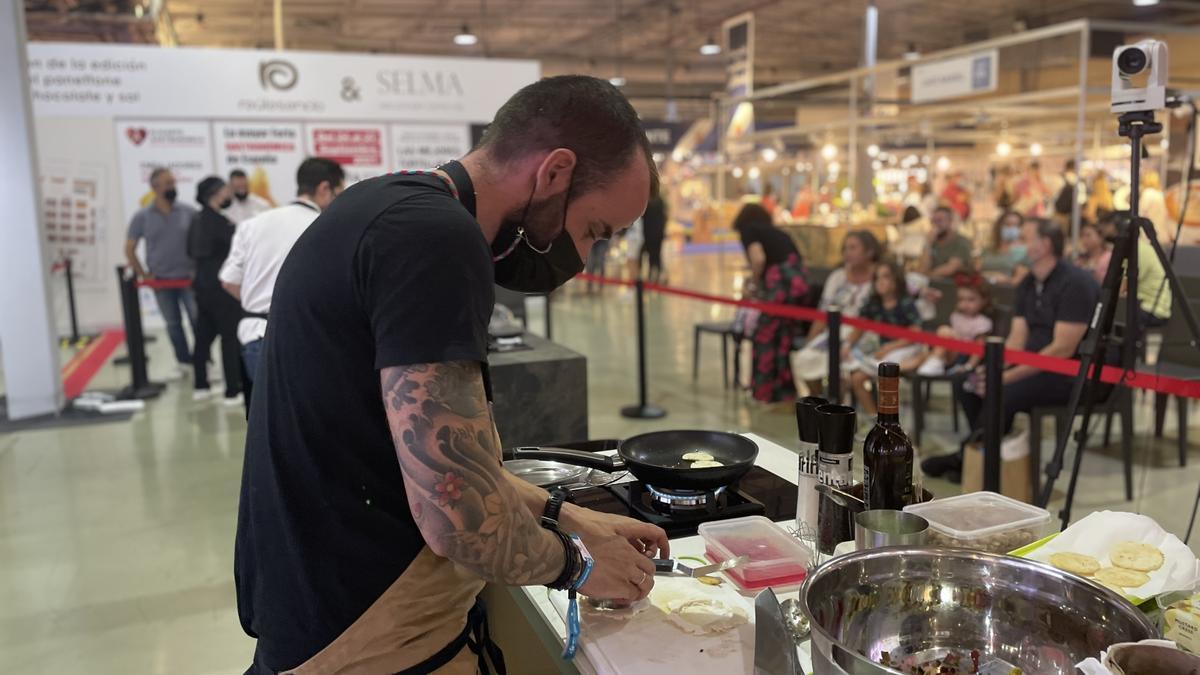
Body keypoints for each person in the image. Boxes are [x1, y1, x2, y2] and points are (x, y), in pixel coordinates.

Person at [234, 76, 669, 674]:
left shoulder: (384, 205)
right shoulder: (435, 240)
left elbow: (426, 458)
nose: (586, 257)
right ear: (554, 173)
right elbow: (457, 517)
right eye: (593, 231)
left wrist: (563, 514)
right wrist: (582, 566)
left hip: (318, 601)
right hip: (362, 631)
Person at [925, 218, 1100, 482]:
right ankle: (981, 455)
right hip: (1033, 362)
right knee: (968, 381)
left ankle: (969, 458)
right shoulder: (1028, 283)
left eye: (1025, 238)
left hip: (1069, 372)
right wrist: (990, 369)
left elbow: (1062, 350)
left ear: (1045, 244)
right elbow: (1017, 340)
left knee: (1002, 391)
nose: (1018, 244)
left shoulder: (1075, 283)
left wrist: (1005, 377)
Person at [219, 158, 345, 389]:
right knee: (309, 422)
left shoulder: (253, 224)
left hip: (255, 338)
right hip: (306, 339)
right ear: (325, 189)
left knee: (268, 421)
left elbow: (228, 281)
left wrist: (266, 304)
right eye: (340, 192)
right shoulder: (326, 225)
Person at [732, 203, 809, 403]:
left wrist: (755, 284)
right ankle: (783, 392)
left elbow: (758, 259)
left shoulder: (749, 230)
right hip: (797, 285)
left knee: (764, 336)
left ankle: (765, 392)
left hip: (780, 285)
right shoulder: (776, 233)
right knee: (782, 338)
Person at [125, 167, 198, 378]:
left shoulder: (188, 212)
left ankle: (203, 361)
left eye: (173, 183)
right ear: (155, 187)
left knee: (197, 321)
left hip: (188, 279)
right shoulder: (142, 216)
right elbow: (129, 248)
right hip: (161, 282)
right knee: (173, 324)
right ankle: (184, 362)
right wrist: (144, 274)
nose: (173, 187)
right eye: (168, 184)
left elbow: (200, 243)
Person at [790, 230, 882, 395]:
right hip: (836, 332)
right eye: (845, 249)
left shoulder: (881, 276)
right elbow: (823, 313)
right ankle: (821, 402)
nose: (847, 253)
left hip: (869, 334)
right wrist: (811, 340)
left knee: (845, 361)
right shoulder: (837, 277)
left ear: (870, 251)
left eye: (853, 248)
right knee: (806, 357)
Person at [841, 259, 923, 416]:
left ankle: (889, 419)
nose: (880, 282)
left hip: (902, 349)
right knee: (856, 378)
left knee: (883, 377)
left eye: (886, 277)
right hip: (880, 352)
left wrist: (889, 348)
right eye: (877, 278)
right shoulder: (873, 303)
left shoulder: (905, 303)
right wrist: (847, 345)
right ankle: (874, 418)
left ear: (896, 280)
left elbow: (915, 334)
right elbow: (860, 326)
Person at [188, 176, 243, 405]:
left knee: (202, 338)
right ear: (215, 194)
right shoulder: (221, 224)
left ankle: (201, 385)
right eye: (225, 191)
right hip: (222, 288)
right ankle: (232, 390)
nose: (228, 194)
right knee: (229, 338)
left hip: (202, 287)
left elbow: (190, 251)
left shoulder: (195, 221)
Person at [908, 272, 994, 376]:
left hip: (963, 356)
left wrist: (969, 366)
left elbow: (979, 349)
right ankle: (910, 365)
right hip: (949, 351)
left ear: (984, 300)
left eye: (971, 300)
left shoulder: (982, 322)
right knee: (929, 349)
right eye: (961, 299)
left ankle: (935, 362)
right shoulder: (956, 316)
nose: (965, 304)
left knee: (944, 331)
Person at [1098, 211, 1172, 330]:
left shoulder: (1138, 251)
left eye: (1107, 225)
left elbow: (1122, 289)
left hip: (1151, 308)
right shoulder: (1133, 249)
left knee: (1105, 315)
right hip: (1140, 303)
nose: (1103, 230)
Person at [918, 206, 975, 279]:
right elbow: (922, 269)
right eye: (933, 221)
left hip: (955, 286)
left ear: (950, 221)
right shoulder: (932, 241)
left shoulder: (961, 241)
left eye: (939, 220)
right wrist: (928, 244)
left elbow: (950, 269)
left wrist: (926, 276)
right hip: (932, 284)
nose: (935, 225)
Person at [979, 210, 1029, 285]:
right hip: (984, 291)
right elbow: (976, 272)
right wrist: (992, 278)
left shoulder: (1023, 252)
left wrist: (1004, 280)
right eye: (1007, 224)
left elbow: (1020, 279)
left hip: (1007, 292)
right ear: (999, 226)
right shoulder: (987, 250)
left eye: (1016, 225)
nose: (1011, 228)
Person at [641, 190, 667, 284]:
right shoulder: (659, 201)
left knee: (651, 255)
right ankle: (657, 274)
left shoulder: (647, 202)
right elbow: (664, 217)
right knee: (657, 254)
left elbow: (643, 218)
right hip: (657, 233)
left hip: (649, 233)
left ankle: (653, 274)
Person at [1074, 220, 1112, 285]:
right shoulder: (1081, 258)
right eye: (1082, 236)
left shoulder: (1108, 257)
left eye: (1088, 235)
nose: (1084, 239)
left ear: (1100, 237)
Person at [1140, 170, 1172, 245]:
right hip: (1162, 234)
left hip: (1150, 235)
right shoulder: (1160, 194)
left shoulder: (1147, 193)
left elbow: (1141, 213)